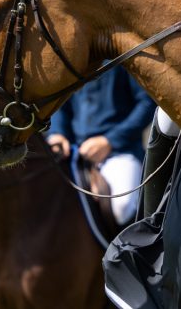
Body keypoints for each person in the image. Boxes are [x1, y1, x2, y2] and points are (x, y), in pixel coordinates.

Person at [47, 64, 155, 226]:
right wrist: (57, 132)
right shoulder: (71, 61)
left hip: (120, 151)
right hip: (75, 153)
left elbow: (147, 103)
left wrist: (110, 141)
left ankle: (127, 250)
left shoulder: (123, 59)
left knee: (122, 205)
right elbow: (61, 104)